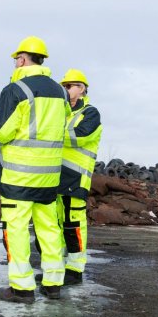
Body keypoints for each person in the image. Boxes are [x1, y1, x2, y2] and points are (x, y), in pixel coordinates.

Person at [0, 36, 69, 303]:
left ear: (21, 59)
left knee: (16, 230)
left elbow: (2, 131)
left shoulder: (16, 89)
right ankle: (53, 283)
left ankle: (22, 288)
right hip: (49, 176)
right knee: (49, 228)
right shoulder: (59, 92)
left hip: (19, 176)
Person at [54, 69, 102, 285]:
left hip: (75, 178)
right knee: (54, 224)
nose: (66, 89)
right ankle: (56, 269)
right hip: (54, 176)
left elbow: (81, 136)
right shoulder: (59, 113)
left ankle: (74, 270)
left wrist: (51, 135)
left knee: (73, 224)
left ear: (82, 89)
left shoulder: (90, 113)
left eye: (70, 85)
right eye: (64, 86)